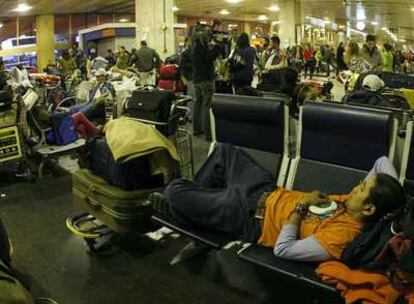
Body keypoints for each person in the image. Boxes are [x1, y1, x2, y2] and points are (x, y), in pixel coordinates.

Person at [161, 144, 406, 262]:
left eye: (362, 188)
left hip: (248, 216)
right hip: (265, 189)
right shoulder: (355, 205)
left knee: (173, 191)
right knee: (225, 152)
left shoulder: (341, 237)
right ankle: (198, 210)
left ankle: (193, 209)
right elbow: (382, 161)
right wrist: (399, 205)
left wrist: (302, 206)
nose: (356, 187)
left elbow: (283, 249)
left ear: (369, 208)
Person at [192, 28, 222, 140]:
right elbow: (209, 58)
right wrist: (217, 46)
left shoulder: (194, 46)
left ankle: (196, 129)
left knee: (198, 103)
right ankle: (209, 134)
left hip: (197, 79)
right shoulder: (200, 47)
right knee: (207, 106)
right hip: (206, 79)